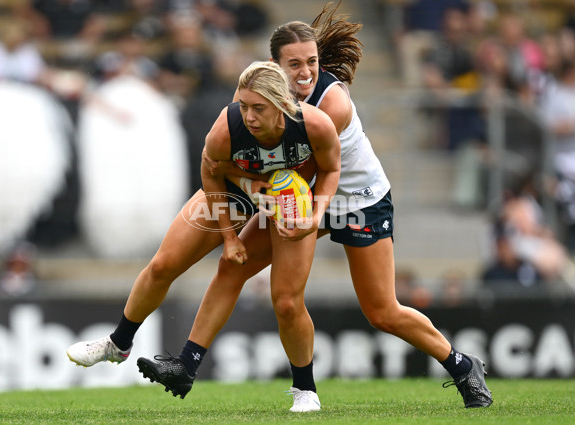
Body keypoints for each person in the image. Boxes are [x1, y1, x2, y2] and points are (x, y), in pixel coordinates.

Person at [68, 3, 492, 410]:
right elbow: (236, 168)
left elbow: (305, 178)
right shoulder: (251, 102)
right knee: (203, 265)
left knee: (380, 311)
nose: (305, 72)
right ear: (274, 67)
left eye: (311, 62)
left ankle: (460, 363)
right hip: (275, 184)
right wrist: (236, 218)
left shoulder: (329, 109)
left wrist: (276, 204)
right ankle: (160, 356)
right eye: (294, 64)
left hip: (350, 197)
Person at [68, 59, 341, 408]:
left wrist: (315, 215)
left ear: (282, 106)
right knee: (163, 265)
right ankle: (117, 344)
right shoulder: (228, 127)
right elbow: (210, 172)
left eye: (258, 108)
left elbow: (332, 168)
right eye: (244, 106)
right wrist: (229, 237)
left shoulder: (314, 125)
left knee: (287, 302)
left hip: (290, 201)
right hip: (232, 189)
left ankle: (305, 390)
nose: (249, 116)